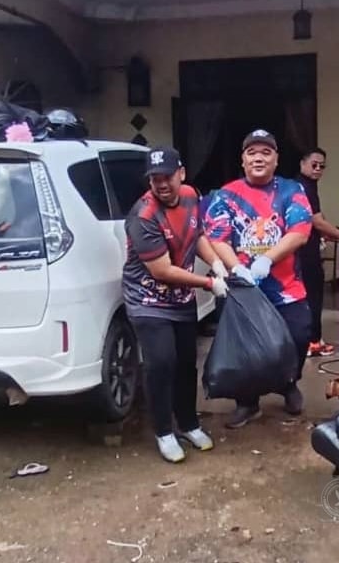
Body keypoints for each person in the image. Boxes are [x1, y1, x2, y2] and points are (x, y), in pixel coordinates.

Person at [123, 146, 229, 463]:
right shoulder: (143, 215)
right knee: (161, 362)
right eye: (155, 179)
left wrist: (217, 262)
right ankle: (164, 432)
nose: (162, 184)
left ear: (181, 173)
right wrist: (210, 283)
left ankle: (189, 424)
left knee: (186, 362)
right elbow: (162, 270)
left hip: (181, 299)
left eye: (167, 176)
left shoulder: (191, 196)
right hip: (148, 299)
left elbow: (195, 234)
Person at [204, 129, 313, 428]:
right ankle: (247, 403)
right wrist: (235, 267)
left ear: (276, 159)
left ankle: (289, 383)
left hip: (286, 287)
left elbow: (300, 232)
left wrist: (267, 258)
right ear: (243, 160)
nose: (259, 157)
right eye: (252, 152)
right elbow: (217, 238)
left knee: (300, 336)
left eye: (266, 152)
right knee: (244, 349)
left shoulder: (292, 191)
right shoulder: (225, 195)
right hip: (243, 289)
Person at [295, 148, 339, 358]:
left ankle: (310, 340)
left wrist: (322, 236)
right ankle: (312, 342)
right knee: (311, 295)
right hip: (302, 251)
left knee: (310, 294)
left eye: (322, 166)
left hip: (307, 246)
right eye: (314, 164)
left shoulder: (307, 186)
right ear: (302, 163)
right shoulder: (303, 187)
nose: (318, 169)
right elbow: (316, 221)